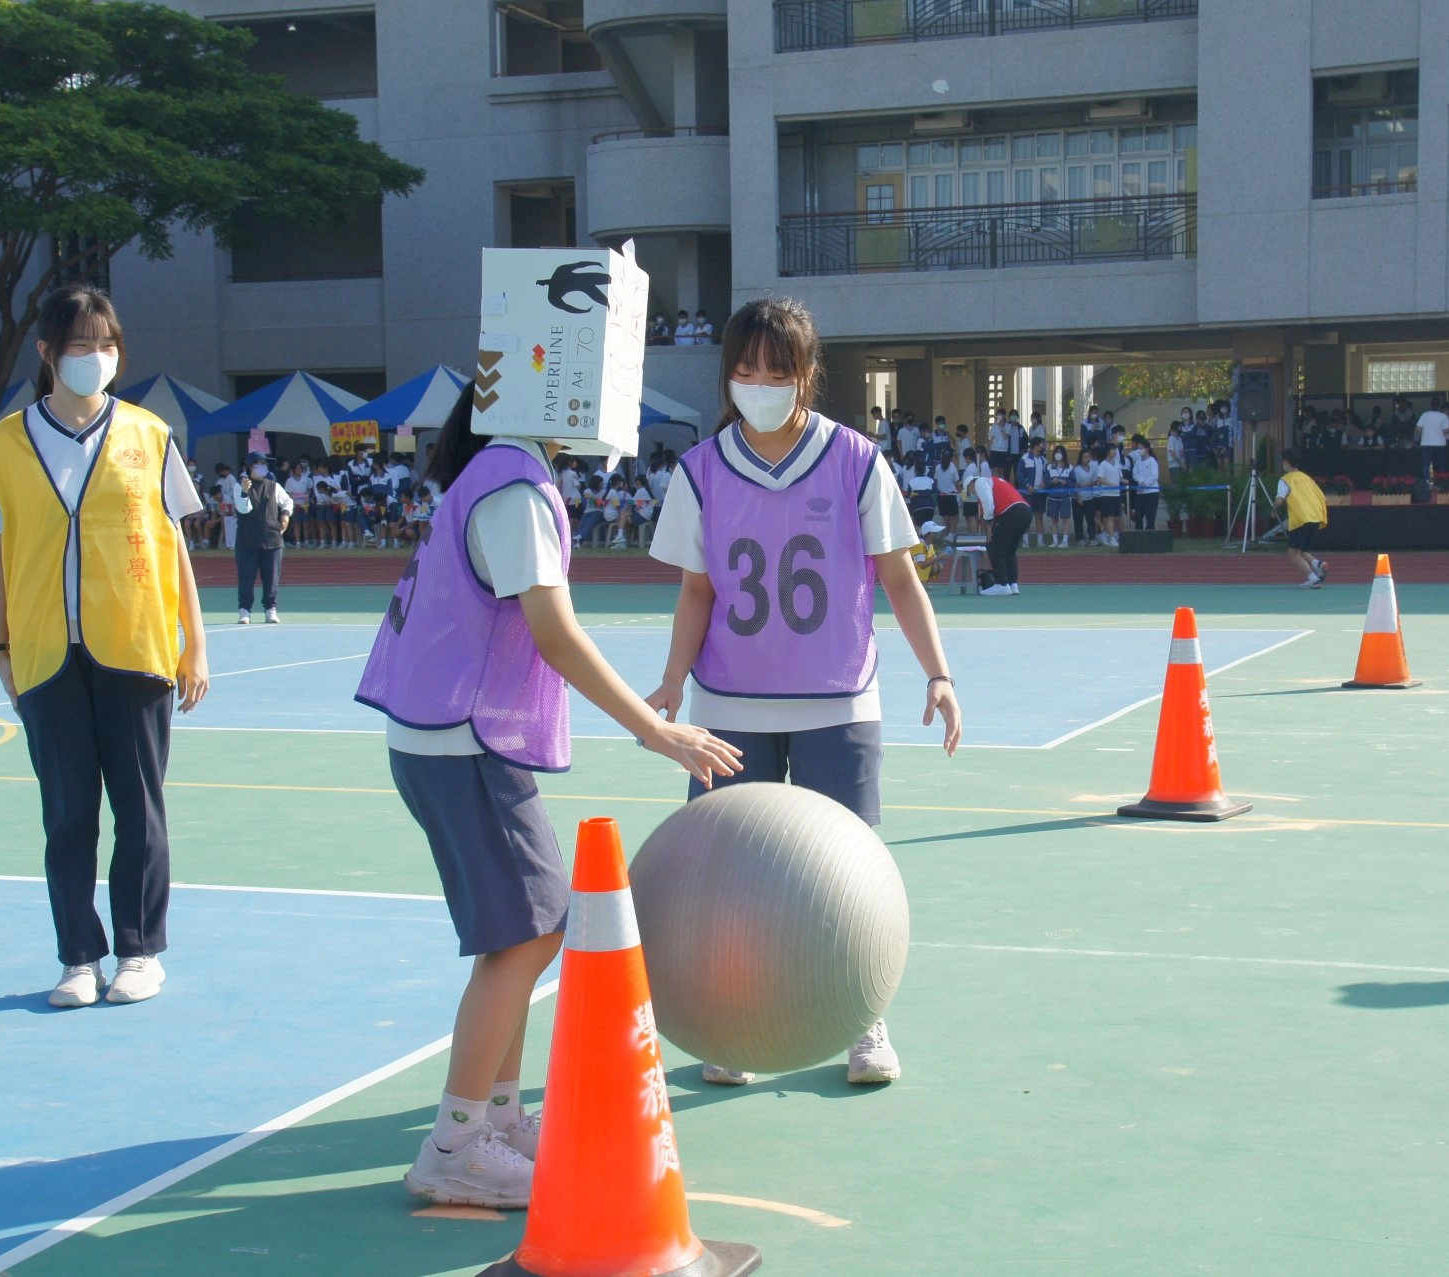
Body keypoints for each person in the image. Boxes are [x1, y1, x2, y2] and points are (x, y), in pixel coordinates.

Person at [354, 378, 738, 1210]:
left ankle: (496, 1116)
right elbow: (554, 631)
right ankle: (454, 1143)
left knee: (520, 931)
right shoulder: (513, 487)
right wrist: (655, 727)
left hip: (450, 736)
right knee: (532, 933)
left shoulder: (501, 475)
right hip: (462, 740)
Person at [647, 297, 961, 1087]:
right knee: (724, 880)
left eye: (775, 370)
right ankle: (730, 1024)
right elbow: (696, 591)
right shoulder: (702, 469)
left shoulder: (856, 459)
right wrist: (673, 679)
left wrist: (940, 672)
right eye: (744, 368)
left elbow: (898, 576)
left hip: (836, 698)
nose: (757, 383)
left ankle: (863, 1018)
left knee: (845, 876)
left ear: (806, 376)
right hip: (730, 703)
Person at [0, 284, 210, 1009]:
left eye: (106, 345)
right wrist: (0, 648)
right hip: (45, 653)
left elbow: (175, 547)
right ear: (46, 354)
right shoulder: (4, 445)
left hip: (135, 647)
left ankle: (139, 950)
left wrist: (194, 644)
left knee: (140, 805)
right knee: (67, 810)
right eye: (78, 346)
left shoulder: (149, 434)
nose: (94, 358)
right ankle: (78, 955)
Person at [233, 453, 292, 624]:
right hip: (247, 541)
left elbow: (287, 502)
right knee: (246, 577)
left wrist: (286, 515)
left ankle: (270, 609)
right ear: (250, 466)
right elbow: (244, 509)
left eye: (264, 463)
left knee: (272, 577)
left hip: (272, 540)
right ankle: (245, 610)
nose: (262, 467)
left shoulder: (274, 486)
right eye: (258, 463)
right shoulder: (239, 486)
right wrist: (245, 491)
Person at [1274, 448, 1329, 588]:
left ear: (1286, 463)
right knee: (1302, 550)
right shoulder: (1306, 477)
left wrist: (1274, 508)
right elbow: (1322, 497)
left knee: (1293, 552)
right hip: (1315, 517)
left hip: (1300, 519)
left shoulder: (1285, 480)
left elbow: (1280, 500)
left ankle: (1313, 579)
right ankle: (1318, 564)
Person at [975, 465, 1032, 595]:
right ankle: (1013, 584)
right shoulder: (996, 481)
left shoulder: (980, 482)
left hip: (1012, 512)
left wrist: (989, 530)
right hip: (1026, 511)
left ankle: (1001, 583)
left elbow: (989, 507)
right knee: (1009, 550)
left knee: (993, 545)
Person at [1415, 397, 1449, 485]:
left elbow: (1418, 428)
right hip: (1440, 443)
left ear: (1431, 405)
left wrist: (1424, 433)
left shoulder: (1425, 415)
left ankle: (1427, 481)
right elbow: (1446, 431)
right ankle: (1440, 482)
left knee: (1426, 464)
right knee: (1440, 464)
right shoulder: (1443, 416)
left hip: (1426, 443)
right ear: (1439, 406)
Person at [1130, 437, 1161, 530]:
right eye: (1138, 449)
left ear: (1147, 449)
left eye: (1141, 448)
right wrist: (1140, 481)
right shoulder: (1138, 462)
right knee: (1138, 516)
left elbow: (1154, 475)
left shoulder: (1152, 461)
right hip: (1140, 493)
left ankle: (1149, 536)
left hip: (1152, 492)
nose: (1139, 451)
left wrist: (1146, 483)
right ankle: (1139, 535)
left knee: (1150, 517)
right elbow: (1134, 473)